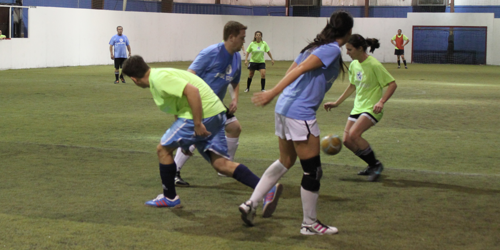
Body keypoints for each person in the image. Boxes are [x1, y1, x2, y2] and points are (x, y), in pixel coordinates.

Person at [238, 10, 354, 235]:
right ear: (348, 31)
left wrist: (277, 95)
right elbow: (299, 69)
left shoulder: (316, 46)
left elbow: (293, 68)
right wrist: (272, 92)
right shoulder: (330, 49)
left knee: (285, 161)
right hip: (299, 112)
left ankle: (251, 203)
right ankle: (309, 224)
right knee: (313, 172)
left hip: (286, 108)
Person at [121, 55, 281, 217]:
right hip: (216, 112)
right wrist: (185, 142)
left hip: (203, 115)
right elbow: (179, 104)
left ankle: (170, 197)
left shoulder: (159, 79)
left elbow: (192, 91)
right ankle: (267, 188)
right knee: (221, 164)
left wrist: (197, 123)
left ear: (134, 79)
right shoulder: (160, 74)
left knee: (162, 149)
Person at [173, 21, 246, 187]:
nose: (244, 42)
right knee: (197, 135)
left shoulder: (236, 57)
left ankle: (225, 166)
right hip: (200, 104)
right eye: (242, 38)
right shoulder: (210, 53)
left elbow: (235, 81)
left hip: (216, 105)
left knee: (234, 128)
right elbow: (189, 74)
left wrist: (235, 98)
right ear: (231, 37)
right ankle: (173, 172)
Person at [324, 34, 397, 182]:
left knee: (354, 134)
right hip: (358, 108)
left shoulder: (374, 64)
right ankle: (372, 165)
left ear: (360, 48)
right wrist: (337, 103)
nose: (347, 53)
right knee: (347, 141)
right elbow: (352, 86)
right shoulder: (354, 65)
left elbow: (392, 84)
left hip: (372, 108)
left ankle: (376, 165)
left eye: (349, 49)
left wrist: (381, 101)